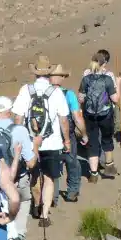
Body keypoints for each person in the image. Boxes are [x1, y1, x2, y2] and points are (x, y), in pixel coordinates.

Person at [12, 55, 71, 227]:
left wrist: (18, 138)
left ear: (36, 73)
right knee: (49, 178)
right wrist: (67, 140)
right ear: (49, 73)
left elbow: (18, 117)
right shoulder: (56, 92)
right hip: (52, 143)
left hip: (30, 142)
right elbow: (63, 120)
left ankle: (36, 205)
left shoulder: (26, 90)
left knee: (33, 174)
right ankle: (45, 214)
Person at [0, 96, 36, 240]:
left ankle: (2, 238)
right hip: (17, 177)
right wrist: (35, 146)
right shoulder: (20, 130)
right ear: (10, 111)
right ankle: (19, 236)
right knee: (23, 200)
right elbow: (31, 163)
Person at [79, 50, 121, 181]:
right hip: (105, 114)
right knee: (107, 139)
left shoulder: (86, 78)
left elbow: (80, 98)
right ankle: (109, 167)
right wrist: (118, 85)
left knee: (92, 143)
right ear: (103, 64)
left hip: (90, 115)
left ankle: (93, 174)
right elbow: (115, 99)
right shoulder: (107, 78)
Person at [49, 65, 86, 203]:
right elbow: (77, 117)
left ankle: (52, 195)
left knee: (53, 165)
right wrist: (84, 134)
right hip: (67, 134)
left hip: (48, 136)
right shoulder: (68, 94)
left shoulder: (42, 93)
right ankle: (72, 192)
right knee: (72, 162)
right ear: (61, 78)